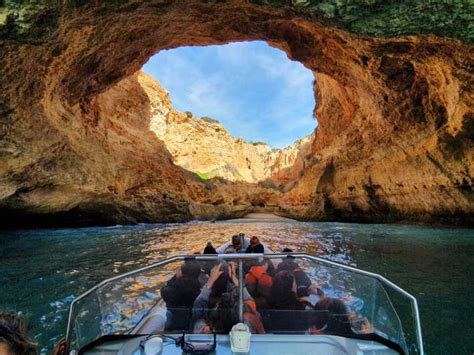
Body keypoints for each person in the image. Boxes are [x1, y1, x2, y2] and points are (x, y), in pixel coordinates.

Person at [191, 263, 264, 334]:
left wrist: (210, 282)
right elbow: (249, 302)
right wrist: (234, 277)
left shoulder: (202, 331)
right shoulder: (245, 330)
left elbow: (198, 306)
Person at [161, 261, 203, 331]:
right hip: (191, 324)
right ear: (198, 274)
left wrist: (175, 278)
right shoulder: (198, 289)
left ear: (182, 273)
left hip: (174, 324)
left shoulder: (173, 289)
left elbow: (164, 291)